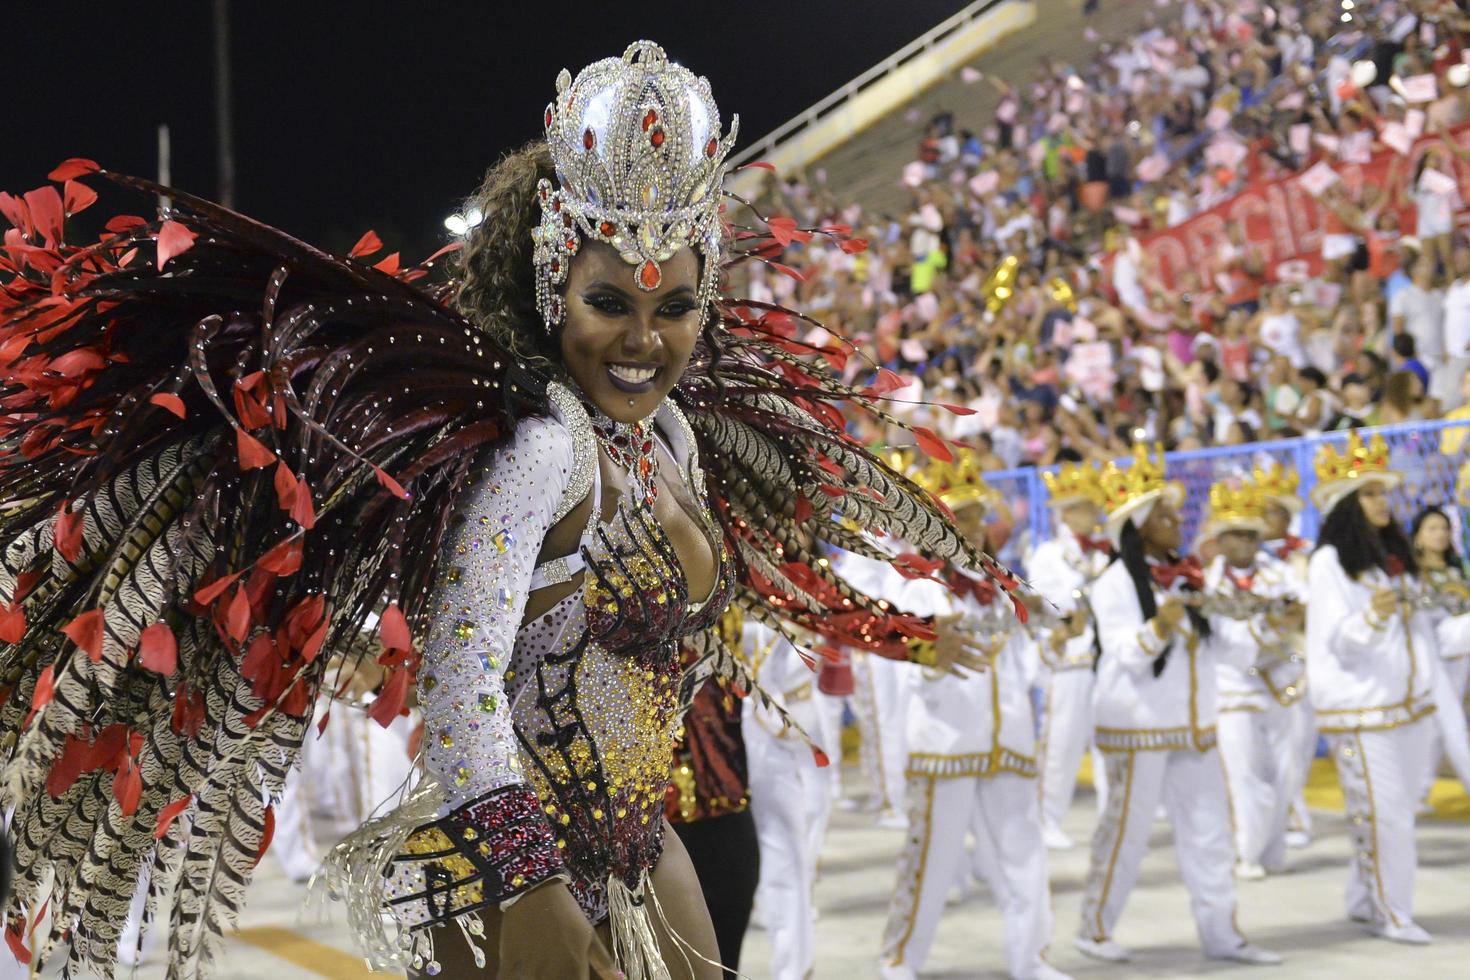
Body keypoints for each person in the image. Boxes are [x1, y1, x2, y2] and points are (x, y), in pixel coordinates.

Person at [0, 43, 1013, 980]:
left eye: (676, 307)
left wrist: (899, 631)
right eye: (609, 302)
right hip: (507, 861)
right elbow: (458, 690)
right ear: (549, 286)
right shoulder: (544, 453)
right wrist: (529, 879)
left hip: (641, 834)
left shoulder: (673, 442)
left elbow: (753, 598)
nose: (645, 341)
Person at [1075, 445, 1279, 967]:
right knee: (1125, 832)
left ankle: (1223, 935)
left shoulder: (1189, 576)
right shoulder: (1116, 582)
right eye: (1164, 515)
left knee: (1211, 834)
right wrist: (1159, 626)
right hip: (1139, 727)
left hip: (1194, 726)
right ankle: (1094, 931)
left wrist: (1264, 629)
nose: (1176, 522)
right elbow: (1124, 655)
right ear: (1139, 526)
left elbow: (1224, 646)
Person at [879, 453, 1066, 980]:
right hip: (947, 741)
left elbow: (1025, 658)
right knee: (931, 859)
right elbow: (909, 672)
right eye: (961, 518)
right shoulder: (916, 588)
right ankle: (899, 958)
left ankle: (1032, 959)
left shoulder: (1002, 590)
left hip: (1007, 737)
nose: (974, 530)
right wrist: (937, 659)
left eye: (979, 518)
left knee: (1024, 854)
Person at [1306, 432, 1453, 944]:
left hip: (1405, 707)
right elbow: (1336, 642)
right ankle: (1393, 912)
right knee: (1385, 817)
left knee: (1391, 812)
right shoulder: (1328, 564)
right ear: (1347, 504)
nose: (1382, 501)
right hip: (1361, 713)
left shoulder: (1391, 560)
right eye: (1369, 494)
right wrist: (1371, 617)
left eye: (1383, 492)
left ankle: (1365, 899)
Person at [1198, 479, 1307, 880]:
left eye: (1250, 534)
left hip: (1281, 684)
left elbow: (1301, 615)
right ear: (1219, 541)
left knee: (1285, 771)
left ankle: (1272, 848)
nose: (1244, 542)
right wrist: (1270, 627)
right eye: (1235, 536)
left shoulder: (1280, 573)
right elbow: (1219, 637)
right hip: (1232, 688)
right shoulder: (1207, 583)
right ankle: (1245, 851)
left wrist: (1288, 622)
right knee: (1241, 772)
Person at [1027, 462, 1112, 850]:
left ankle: (1111, 819)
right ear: (1067, 513)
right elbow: (1051, 601)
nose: (1094, 514)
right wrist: (1087, 591)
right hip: (1070, 657)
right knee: (1062, 741)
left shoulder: (1106, 552)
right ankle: (1046, 819)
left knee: (1110, 742)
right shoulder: (1047, 554)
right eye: (1085, 507)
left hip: (1106, 656)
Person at [1254, 461, 1317, 849]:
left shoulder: (1305, 555)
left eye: (1274, 511)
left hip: (1297, 659)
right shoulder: (1246, 559)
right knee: (1263, 746)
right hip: (1256, 662)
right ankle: (1282, 817)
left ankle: (1291, 813)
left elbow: (1309, 606)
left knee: (1297, 741)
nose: (1267, 519)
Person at [1408, 507, 1470, 804]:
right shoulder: (1412, 572)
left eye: (1444, 528)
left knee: (1438, 724)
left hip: (1459, 653)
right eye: (1432, 528)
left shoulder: (1457, 567)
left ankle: (1418, 791)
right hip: (1430, 651)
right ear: (1418, 536)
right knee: (1450, 720)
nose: (1440, 534)